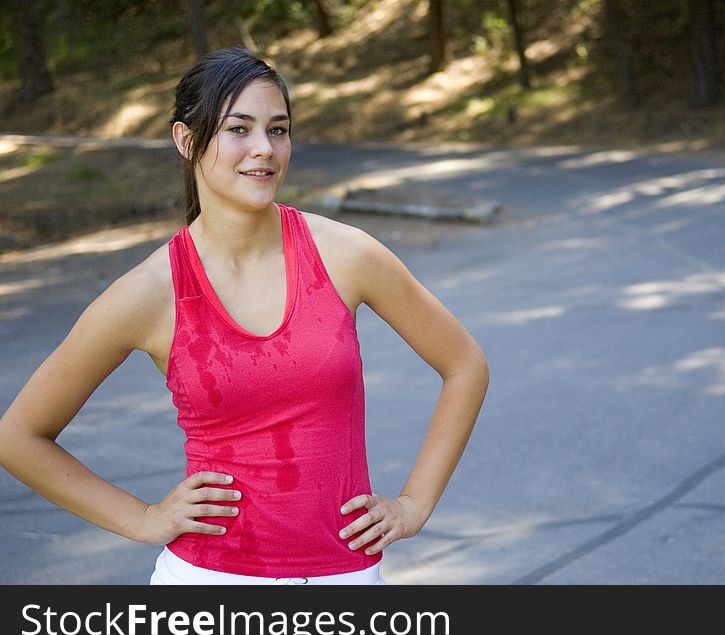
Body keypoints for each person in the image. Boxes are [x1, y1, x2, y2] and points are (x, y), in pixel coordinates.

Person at [0, 47, 489, 585]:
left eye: (278, 130)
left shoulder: (347, 255)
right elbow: (19, 437)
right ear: (186, 141)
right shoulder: (150, 292)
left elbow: (464, 364)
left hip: (345, 579)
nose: (264, 149)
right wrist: (144, 519)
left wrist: (415, 504)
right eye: (239, 128)